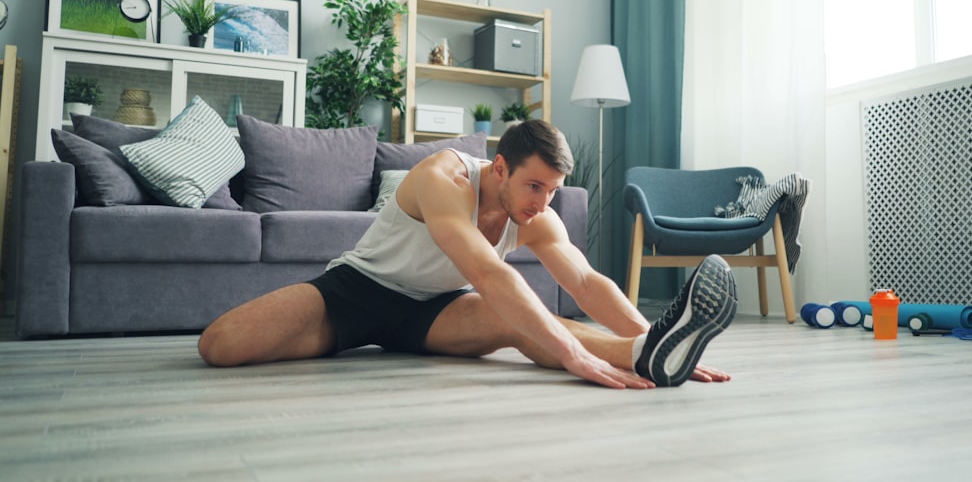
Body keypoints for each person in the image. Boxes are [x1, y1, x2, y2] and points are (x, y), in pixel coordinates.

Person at [198, 120, 738, 389]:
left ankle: (655, 352)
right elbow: (484, 268)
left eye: (553, 190)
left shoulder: (537, 215)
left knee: (522, 322)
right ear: (499, 166)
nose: (543, 203)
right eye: (534, 186)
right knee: (219, 346)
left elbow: (586, 283)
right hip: (356, 293)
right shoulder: (443, 177)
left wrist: (645, 332)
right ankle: (634, 347)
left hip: (433, 310)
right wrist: (571, 356)